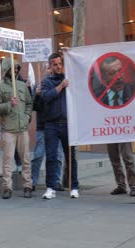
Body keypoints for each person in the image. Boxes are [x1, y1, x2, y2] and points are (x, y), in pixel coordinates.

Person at [0, 58, 33, 199]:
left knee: (26, 159)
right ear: (6, 70)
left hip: (22, 128)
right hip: (8, 129)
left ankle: (27, 186)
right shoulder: (0, 87)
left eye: (17, 68)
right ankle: (7, 187)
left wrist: (27, 116)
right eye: (13, 68)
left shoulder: (22, 86)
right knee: (7, 159)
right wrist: (9, 104)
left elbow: (29, 103)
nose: (15, 71)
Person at [41, 53, 79, 199]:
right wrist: (61, 86)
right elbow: (46, 96)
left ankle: (74, 187)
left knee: (71, 157)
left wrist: (70, 54)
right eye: (54, 64)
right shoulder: (46, 82)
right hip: (51, 124)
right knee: (51, 157)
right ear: (50, 66)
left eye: (60, 64)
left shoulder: (69, 78)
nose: (58, 67)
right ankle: (50, 187)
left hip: (68, 124)